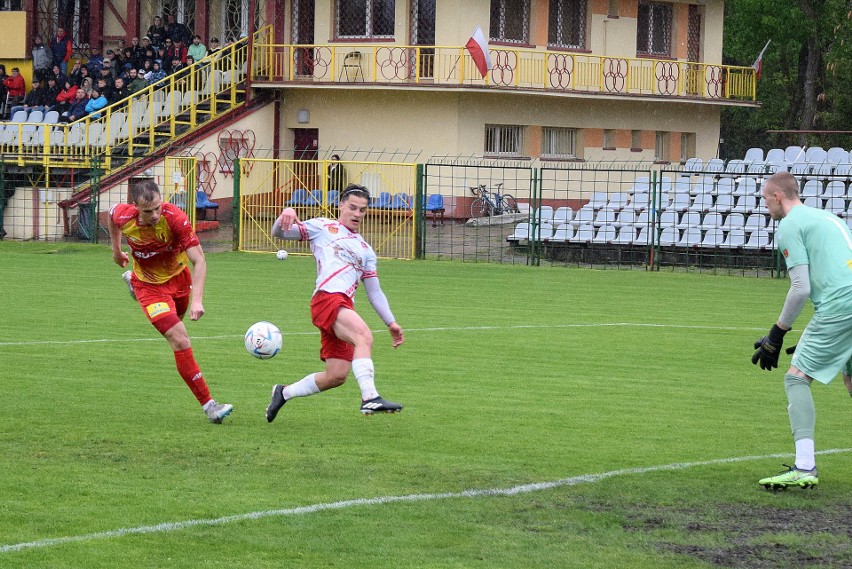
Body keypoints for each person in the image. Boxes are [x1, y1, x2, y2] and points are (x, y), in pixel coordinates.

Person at [265, 184, 405, 422]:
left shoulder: (366, 250)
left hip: (343, 305)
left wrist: (391, 322)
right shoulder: (322, 227)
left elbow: (374, 291)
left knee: (336, 375)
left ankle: (283, 393)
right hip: (327, 298)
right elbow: (279, 233)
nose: (357, 214)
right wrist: (285, 214)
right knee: (364, 337)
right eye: (352, 207)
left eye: (362, 210)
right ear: (340, 205)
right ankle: (370, 397)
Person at [752, 171, 852, 490]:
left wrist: (777, 333)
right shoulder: (827, 217)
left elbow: (800, 288)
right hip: (845, 304)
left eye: (765, 199)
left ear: (777, 197)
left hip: (840, 306)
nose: (765, 205)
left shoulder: (790, 225)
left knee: (796, 377)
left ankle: (804, 466)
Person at [109, 179, 233, 424]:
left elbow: (199, 260)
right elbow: (113, 218)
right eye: (147, 211)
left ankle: (132, 281)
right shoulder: (126, 216)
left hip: (179, 281)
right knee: (179, 339)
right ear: (136, 207)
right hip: (150, 288)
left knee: (179, 322)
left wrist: (197, 300)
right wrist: (116, 250)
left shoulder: (175, 218)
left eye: (157, 207)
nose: (154, 214)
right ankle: (210, 406)